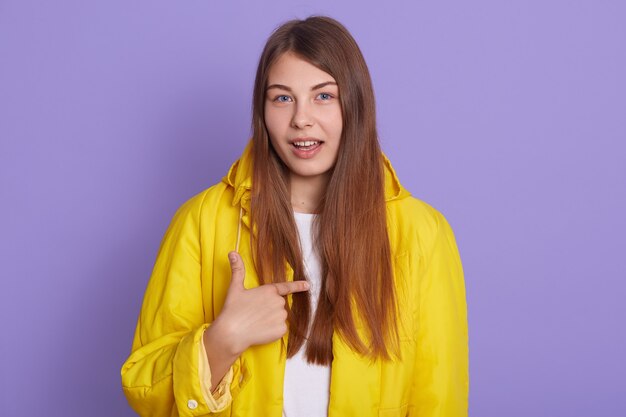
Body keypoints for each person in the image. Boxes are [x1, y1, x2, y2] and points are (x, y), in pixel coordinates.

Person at [120, 15, 468, 417]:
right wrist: (221, 340)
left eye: (323, 96)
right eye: (282, 98)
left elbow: (440, 399)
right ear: (262, 111)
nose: (301, 118)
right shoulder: (201, 220)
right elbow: (144, 388)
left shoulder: (423, 233)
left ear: (355, 104)